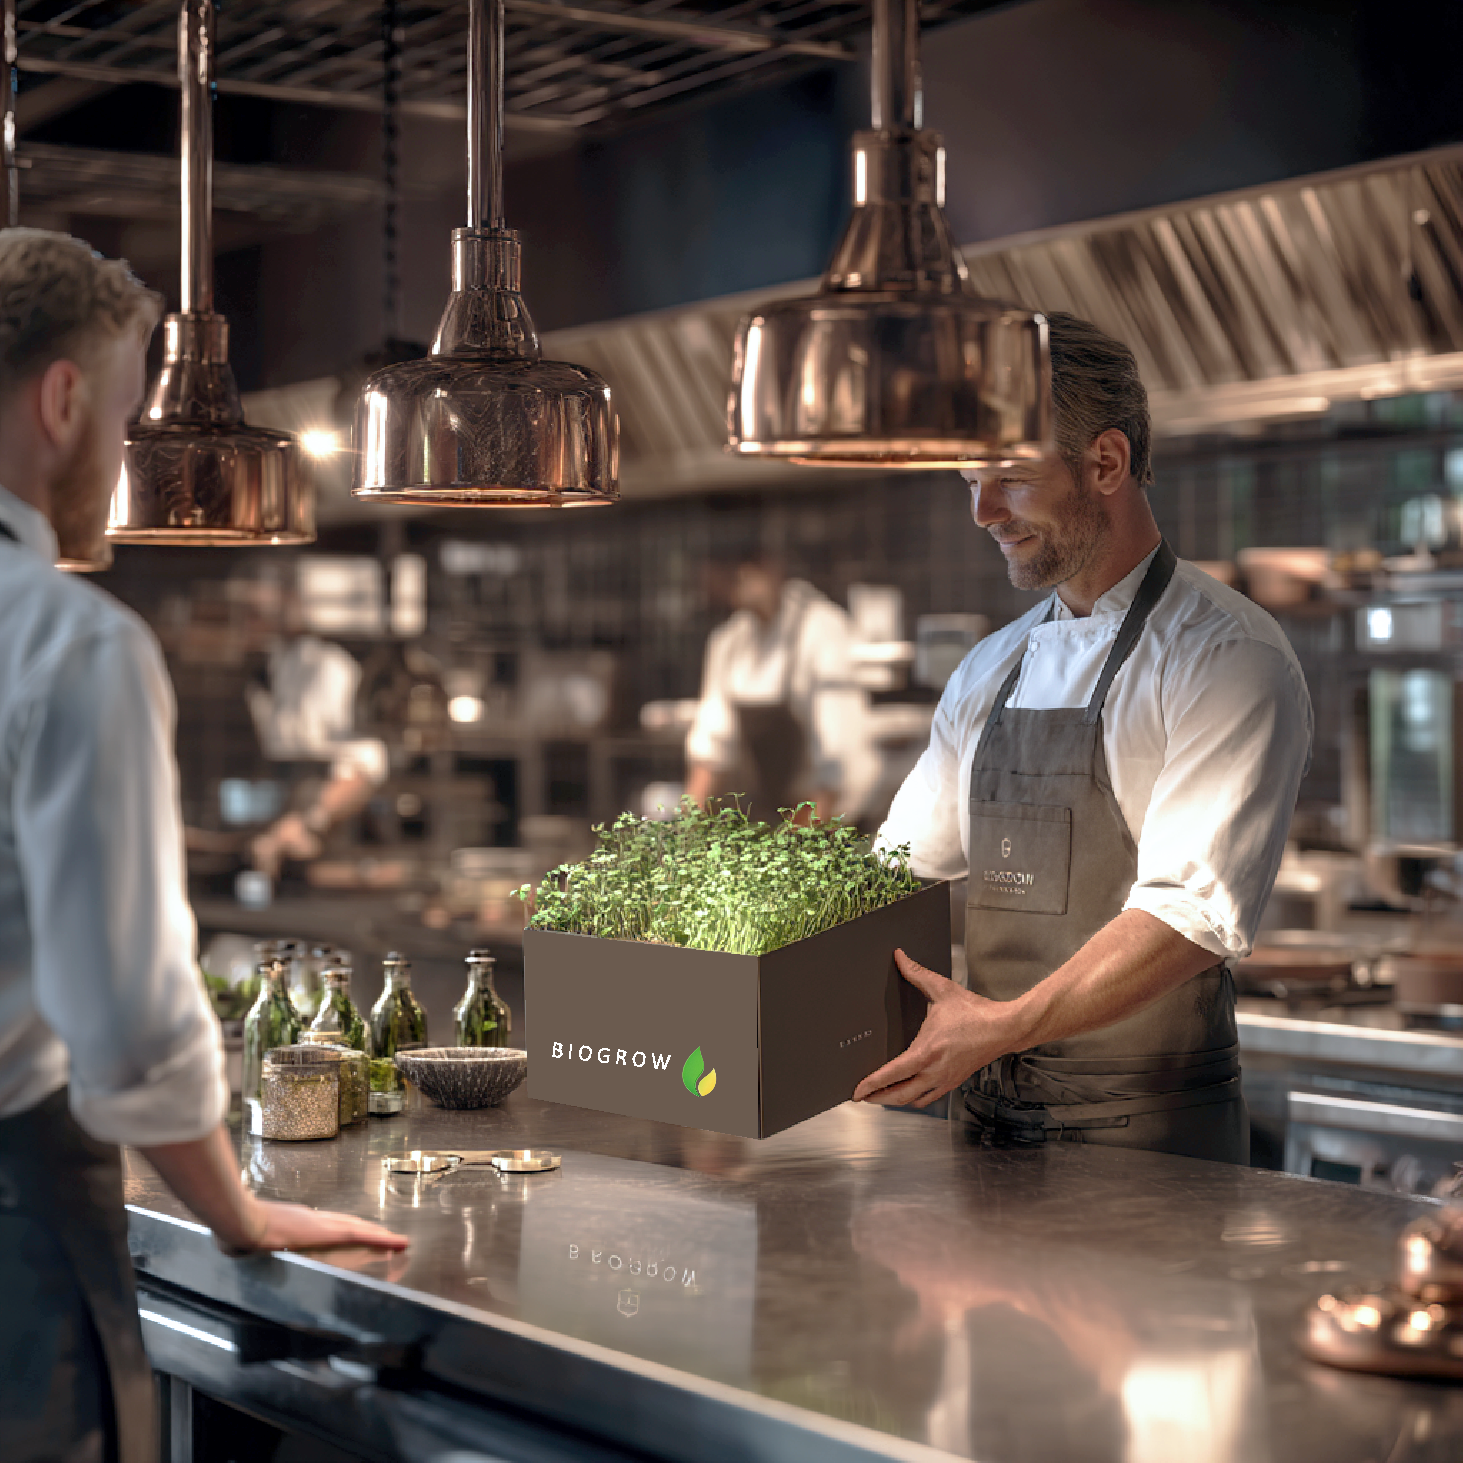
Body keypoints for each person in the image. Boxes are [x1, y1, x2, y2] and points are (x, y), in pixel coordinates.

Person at [0, 230, 405, 1463]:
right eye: (127, 421)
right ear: (65, 399)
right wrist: (234, 1210)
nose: (120, 465)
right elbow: (118, 1010)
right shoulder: (71, 641)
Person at [856, 312, 1313, 1164]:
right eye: (969, 480)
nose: (982, 510)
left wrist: (996, 1028)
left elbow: (1186, 916)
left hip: (1147, 1147)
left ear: (1104, 462)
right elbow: (896, 869)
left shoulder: (1226, 656)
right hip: (984, 1129)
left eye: (1008, 478)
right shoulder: (988, 669)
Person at [684, 551, 872, 822]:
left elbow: (836, 763)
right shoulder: (729, 641)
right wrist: (683, 835)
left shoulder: (823, 632)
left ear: (773, 567)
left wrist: (805, 847)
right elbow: (712, 747)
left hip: (829, 823)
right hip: (768, 817)